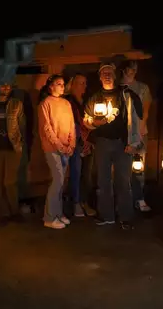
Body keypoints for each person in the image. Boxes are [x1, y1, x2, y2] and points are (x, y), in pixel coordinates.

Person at [84, 62, 143, 230]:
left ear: (115, 75)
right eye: (104, 72)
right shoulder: (95, 97)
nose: (107, 75)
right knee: (103, 181)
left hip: (122, 143)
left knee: (123, 181)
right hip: (102, 142)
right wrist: (94, 122)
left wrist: (133, 143)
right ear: (100, 76)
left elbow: (135, 119)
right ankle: (106, 215)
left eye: (110, 72)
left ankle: (126, 217)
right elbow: (86, 119)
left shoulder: (125, 95)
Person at [38, 74, 76, 229]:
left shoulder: (66, 103)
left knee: (61, 183)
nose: (61, 86)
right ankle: (49, 217)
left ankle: (58, 214)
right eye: (58, 84)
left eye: (62, 83)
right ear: (50, 86)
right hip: (52, 149)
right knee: (57, 180)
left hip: (66, 148)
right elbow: (47, 129)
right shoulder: (45, 104)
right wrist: (60, 146)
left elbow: (72, 125)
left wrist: (71, 145)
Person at [0, 82, 25, 223]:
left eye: (8, 86)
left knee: (10, 182)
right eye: (3, 85)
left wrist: (21, 143)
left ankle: (14, 211)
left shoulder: (16, 104)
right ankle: (4, 213)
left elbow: (22, 125)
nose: (6, 88)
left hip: (12, 148)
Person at [120, 60, 153, 212]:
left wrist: (140, 126)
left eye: (135, 69)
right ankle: (124, 200)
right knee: (121, 169)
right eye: (129, 68)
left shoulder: (142, 87)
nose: (132, 71)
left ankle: (139, 198)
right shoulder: (118, 87)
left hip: (139, 133)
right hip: (122, 135)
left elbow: (145, 109)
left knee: (138, 167)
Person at [64, 74, 97, 217]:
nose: (83, 86)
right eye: (79, 83)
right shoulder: (68, 102)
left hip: (89, 142)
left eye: (84, 83)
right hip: (75, 143)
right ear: (72, 85)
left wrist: (90, 140)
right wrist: (80, 140)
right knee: (75, 174)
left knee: (86, 175)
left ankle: (84, 202)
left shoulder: (87, 102)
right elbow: (71, 124)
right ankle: (76, 203)